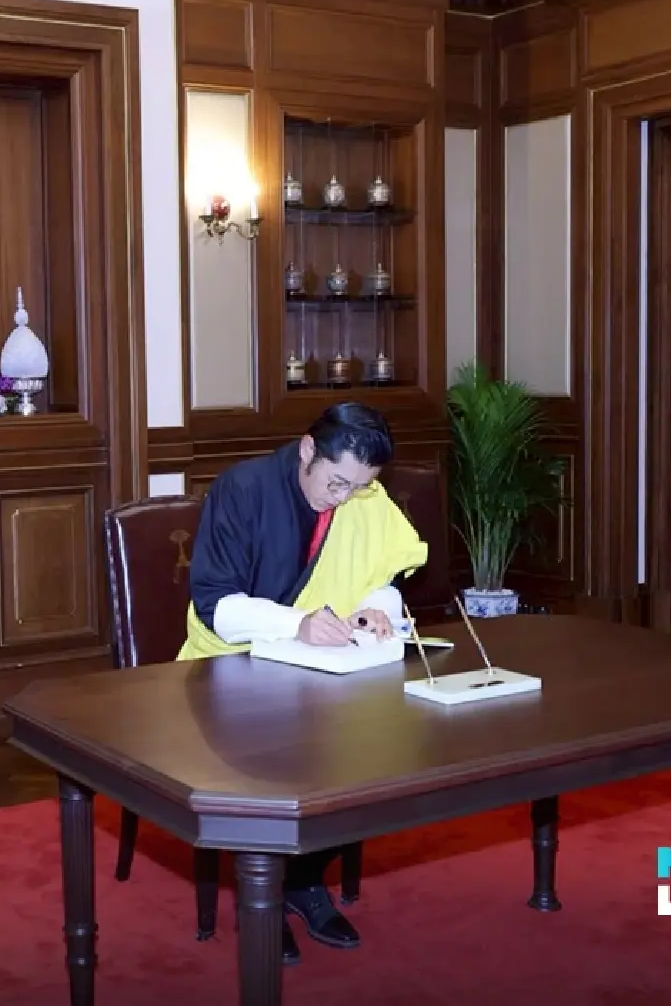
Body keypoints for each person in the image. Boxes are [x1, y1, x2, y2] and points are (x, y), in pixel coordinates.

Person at [179, 402, 427, 966]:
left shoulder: (363, 495)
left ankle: (304, 879)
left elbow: (384, 574)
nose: (344, 498)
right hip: (228, 667)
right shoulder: (242, 490)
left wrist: (376, 609)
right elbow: (216, 607)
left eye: (359, 487)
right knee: (267, 758)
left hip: (324, 670)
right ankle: (260, 894)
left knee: (370, 749)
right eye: (337, 482)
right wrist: (298, 625)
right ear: (308, 450)